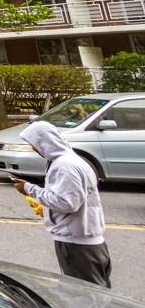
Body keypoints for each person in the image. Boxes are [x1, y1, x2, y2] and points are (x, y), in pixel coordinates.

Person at [10, 120, 110, 288]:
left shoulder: (64, 166)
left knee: (87, 299)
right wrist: (48, 210)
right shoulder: (74, 161)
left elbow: (68, 203)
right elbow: (79, 199)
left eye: (34, 143)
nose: (33, 148)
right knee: (99, 295)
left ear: (44, 142)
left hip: (77, 245)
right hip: (88, 242)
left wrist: (29, 188)